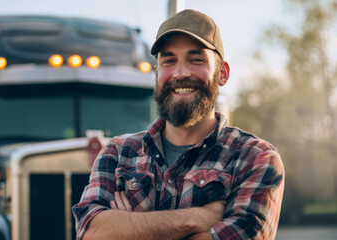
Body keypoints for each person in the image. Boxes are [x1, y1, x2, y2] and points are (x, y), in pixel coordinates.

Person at [72, 9, 284, 240]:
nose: (180, 73)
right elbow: (92, 233)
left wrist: (129, 227)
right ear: (157, 73)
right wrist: (196, 219)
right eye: (169, 61)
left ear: (222, 74)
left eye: (196, 60)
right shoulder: (117, 153)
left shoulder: (254, 158)